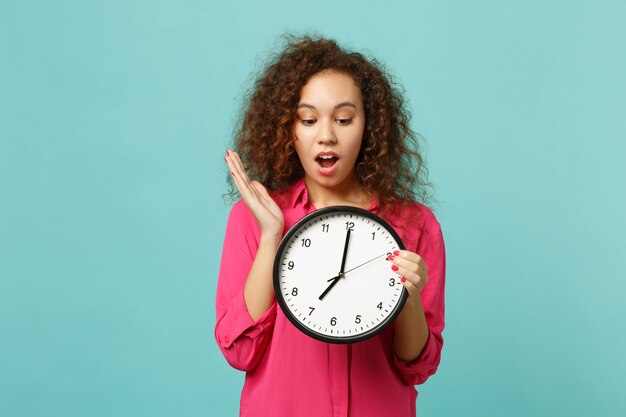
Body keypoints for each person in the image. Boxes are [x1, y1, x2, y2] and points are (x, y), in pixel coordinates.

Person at [215, 35, 446, 417]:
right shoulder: (253, 218)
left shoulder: (415, 225)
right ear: (289, 130)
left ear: (368, 126)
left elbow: (416, 365)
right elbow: (240, 352)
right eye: (308, 120)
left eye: (343, 119)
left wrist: (409, 298)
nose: (326, 134)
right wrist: (273, 236)